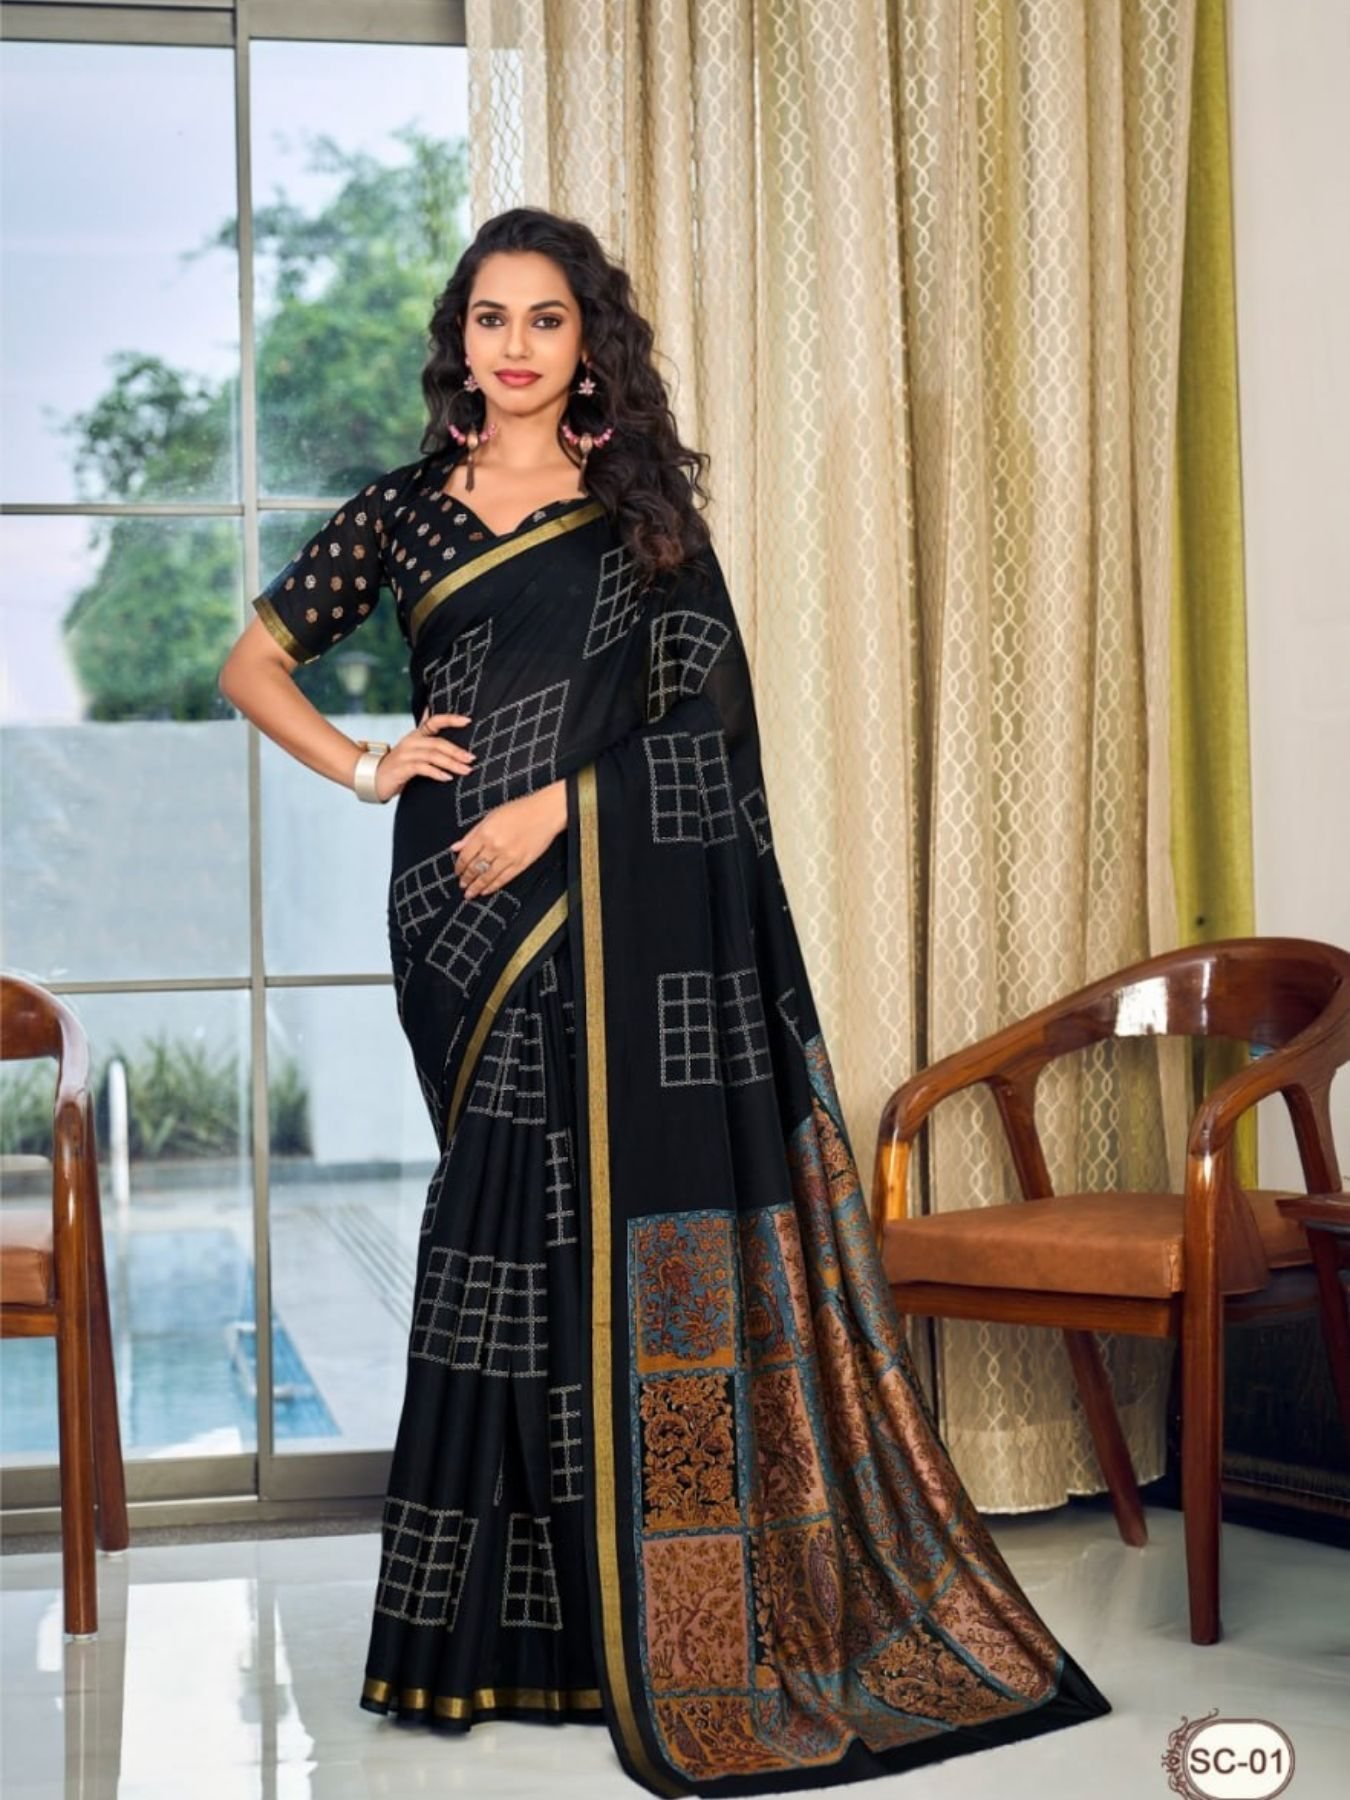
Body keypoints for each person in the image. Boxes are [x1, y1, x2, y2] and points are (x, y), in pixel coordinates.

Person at [219, 206, 1110, 1797]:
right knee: (494, 1239)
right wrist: (366, 766)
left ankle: (613, 1630)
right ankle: (482, 1637)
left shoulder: (637, 518)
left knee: (578, 1231)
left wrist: (562, 811)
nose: (512, 346)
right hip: (459, 914)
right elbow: (251, 664)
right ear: (459, 342)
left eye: (544, 319)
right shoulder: (404, 514)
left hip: (598, 893)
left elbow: (703, 726)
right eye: (489, 318)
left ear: (588, 345)